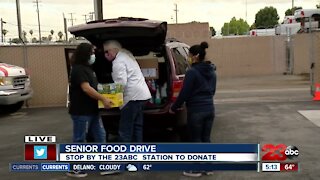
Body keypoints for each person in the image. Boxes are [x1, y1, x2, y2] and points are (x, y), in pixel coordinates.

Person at [169, 41, 217, 177]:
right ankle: (208, 168)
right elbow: (212, 91)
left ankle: (195, 169)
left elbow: (184, 93)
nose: (187, 58)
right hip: (210, 109)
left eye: (189, 55)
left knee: (195, 139)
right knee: (206, 138)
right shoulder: (212, 71)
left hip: (196, 110)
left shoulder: (192, 72)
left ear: (195, 56)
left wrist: (174, 107)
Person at [67, 43, 114, 178]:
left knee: (101, 136)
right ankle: (75, 168)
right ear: (85, 54)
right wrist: (104, 99)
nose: (94, 55)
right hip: (81, 112)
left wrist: (110, 92)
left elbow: (95, 86)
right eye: (92, 52)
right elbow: (86, 88)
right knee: (80, 139)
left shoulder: (88, 69)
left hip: (93, 111)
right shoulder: (78, 69)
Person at [103, 40, 151, 143]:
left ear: (112, 50)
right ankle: (137, 154)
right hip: (142, 96)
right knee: (137, 127)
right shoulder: (127, 55)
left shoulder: (118, 61)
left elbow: (121, 83)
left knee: (125, 130)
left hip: (131, 98)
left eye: (107, 52)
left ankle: (124, 156)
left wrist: (111, 98)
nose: (106, 55)